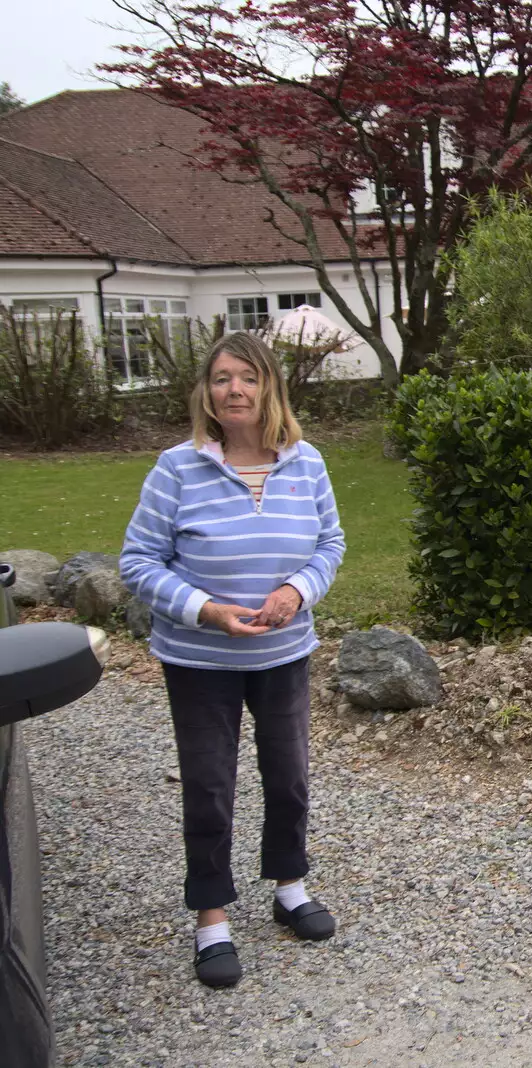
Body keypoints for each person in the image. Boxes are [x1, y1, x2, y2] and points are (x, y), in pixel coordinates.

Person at [121, 332, 345, 988]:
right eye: (221, 379)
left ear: (269, 386)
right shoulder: (176, 467)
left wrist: (295, 591)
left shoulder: (307, 463)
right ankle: (212, 917)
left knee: (289, 775)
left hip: (283, 652)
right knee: (210, 787)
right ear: (206, 392)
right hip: (198, 660)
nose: (235, 390)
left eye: (247, 377)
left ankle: (290, 887)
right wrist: (204, 610)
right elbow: (137, 560)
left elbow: (329, 542)